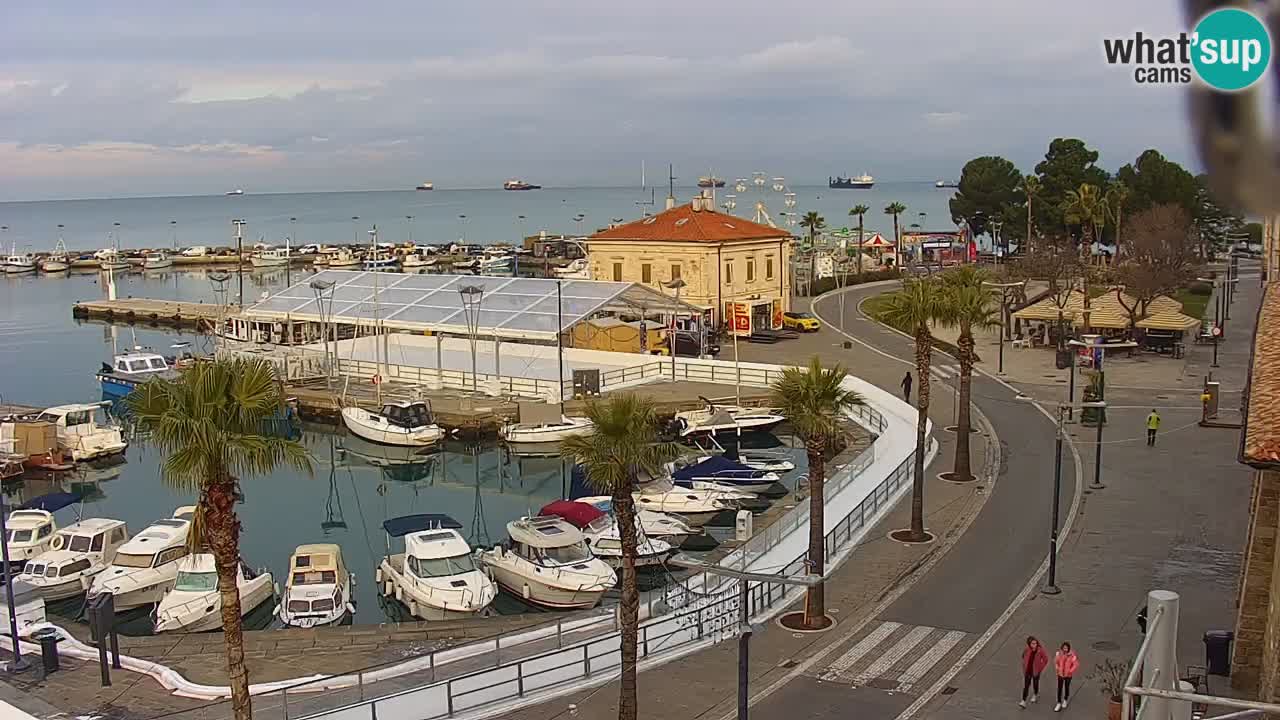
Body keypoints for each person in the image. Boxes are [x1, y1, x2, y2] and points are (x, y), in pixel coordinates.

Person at [1020, 636, 1049, 708]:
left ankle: (1035, 694)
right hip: (1028, 671)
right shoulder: (1027, 650)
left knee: (1035, 683)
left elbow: (1046, 659)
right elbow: (1023, 657)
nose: (1034, 645)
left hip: (1036, 671)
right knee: (1026, 686)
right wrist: (1024, 667)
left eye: (1035, 643)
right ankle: (1023, 701)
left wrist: (1040, 668)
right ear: (1029, 644)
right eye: (1032, 643)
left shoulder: (1040, 650)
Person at [1054, 642, 1079, 711]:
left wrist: (1070, 671)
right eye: (1064, 648)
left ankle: (1065, 699)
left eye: (1066, 648)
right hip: (1060, 674)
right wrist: (1057, 668)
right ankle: (1059, 702)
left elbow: (1076, 664)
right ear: (1062, 648)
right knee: (1059, 688)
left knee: (1066, 687)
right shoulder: (1059, 654)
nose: (1065, 649)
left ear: (1068, 648)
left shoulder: (1072, 655)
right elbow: (1056, 662)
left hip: (1068, 675)